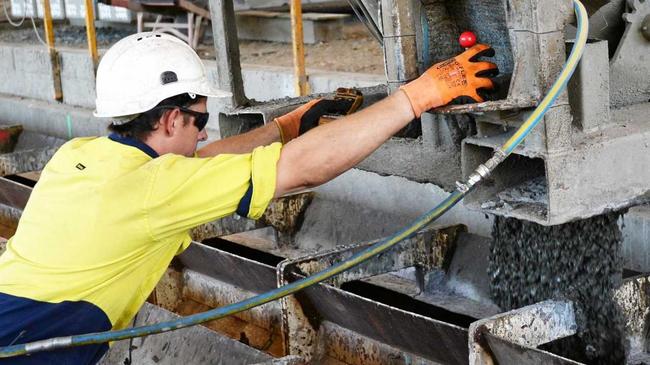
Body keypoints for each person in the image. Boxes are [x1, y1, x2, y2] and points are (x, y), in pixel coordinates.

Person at [0, 32, 497, 364]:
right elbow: (302, 168)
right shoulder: (156, 190)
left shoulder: (81, 155)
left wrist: (284, 127)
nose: (202, 133)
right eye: (198, 119)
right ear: (171, 119)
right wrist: (418, 96)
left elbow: (197, 165)